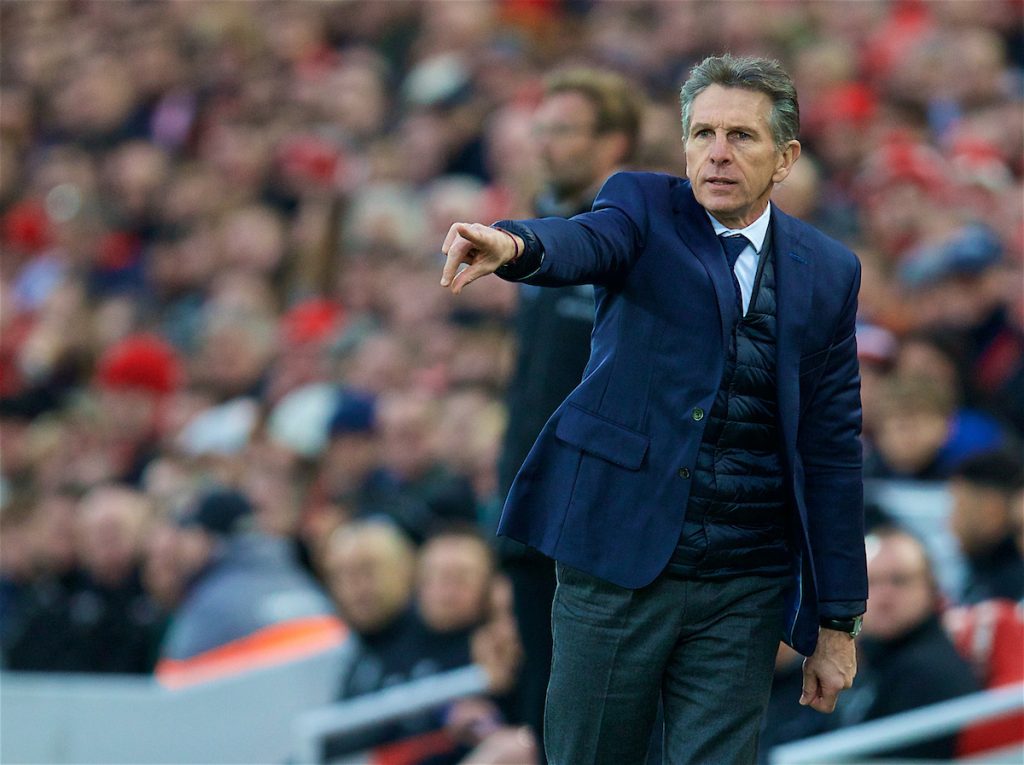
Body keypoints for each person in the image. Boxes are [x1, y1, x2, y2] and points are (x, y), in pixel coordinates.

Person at [439, 54, 866, 764]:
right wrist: (516, 245)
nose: (717, 154)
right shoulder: (641, 206)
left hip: (747, 579)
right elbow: (586, 239)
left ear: (786, 157)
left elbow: (832, 446)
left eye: (741, 136)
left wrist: (838, 618)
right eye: (702, 134)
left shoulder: (829, 269)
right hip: (617, 558)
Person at [495, 67, 643, 749]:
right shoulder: (538, 231)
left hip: (592, 510)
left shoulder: (640, 239)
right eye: (542, 128)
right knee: (540, 693)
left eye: (563, 129)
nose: (546, 143)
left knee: (588, 705)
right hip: (529, 495)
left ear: (614, 141)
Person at [155, 487, 344, 687]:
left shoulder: (209, 606)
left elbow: (168, 685)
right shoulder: (299, 578)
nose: (181, 546)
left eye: (190, 534)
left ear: (208, 539)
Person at [838, 527, 978, 760]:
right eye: (870, 582)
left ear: (931, 588)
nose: (883, 597)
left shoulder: (928, 673)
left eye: (899, 581)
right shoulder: (873, 660)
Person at [948, 450, 1024, 604]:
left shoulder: (1009, 589)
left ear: (991, 512)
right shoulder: (976, 569)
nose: (950, 523)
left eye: (960, 507)